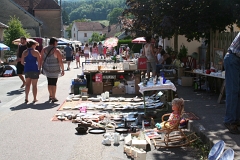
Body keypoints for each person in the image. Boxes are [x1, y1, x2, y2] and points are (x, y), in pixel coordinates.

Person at [223, 32, 240, 134]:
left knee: (237, 92)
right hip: (233, 59)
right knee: (233, 91)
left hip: (236, 59)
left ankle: (236, 119)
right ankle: (230, 121)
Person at [41, 37, 65, 103]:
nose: (57, 43)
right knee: (54, 83)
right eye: (56, 42)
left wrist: (40, 67)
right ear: (54, 42)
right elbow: (60, 61)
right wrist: (63, 70)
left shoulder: (44, 49)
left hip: (47, 69)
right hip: (55, 69)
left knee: (49, 82)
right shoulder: (56, 50)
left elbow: (41, 59)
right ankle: (54, 97)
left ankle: (50, 95)